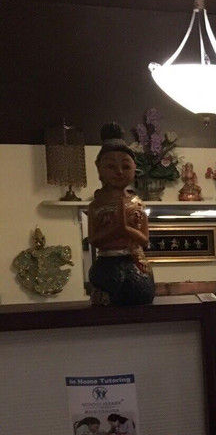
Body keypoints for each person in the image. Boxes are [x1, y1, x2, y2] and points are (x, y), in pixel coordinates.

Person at [86, 123, 155, 306]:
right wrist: (115, 231)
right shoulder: (96, 205)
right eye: (111, 166)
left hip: (133, 258)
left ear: (134, 168)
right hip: (107, 260)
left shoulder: (137, 203)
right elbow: (93, 240)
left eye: (125, 166)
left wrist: (126, 230)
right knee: (110, 286)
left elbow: (144, 239)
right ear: (99, 168)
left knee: (141, 292)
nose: (119, 172)